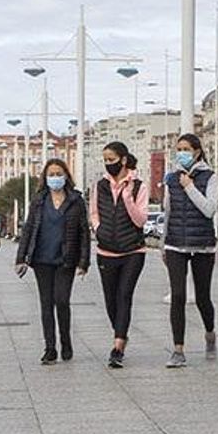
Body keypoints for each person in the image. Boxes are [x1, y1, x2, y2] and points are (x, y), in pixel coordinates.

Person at [15, 159, 91, 364]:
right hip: (41, 259)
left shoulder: (76, 201)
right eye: (51, 174)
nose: (55, 177)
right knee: (46, 304)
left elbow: (84, 232)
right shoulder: (39, 200)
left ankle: (66, 341)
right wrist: (20, 258)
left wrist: (84, 262)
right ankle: (50, 347)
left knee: (62, 301)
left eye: (59, 173)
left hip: (66, 259)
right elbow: (29, 229)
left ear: (66, 175)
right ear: (45, 177)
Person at [89, 141, 149, 368]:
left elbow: (141, 220)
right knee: (110, 300)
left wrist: (127, 199)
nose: (108, 164)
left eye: (111, 159)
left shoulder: (138, 186)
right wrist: (98, 228)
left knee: (124, 295)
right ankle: (120, 331)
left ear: (123, 160)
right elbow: (94, 212)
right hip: (106, 250)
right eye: (105, 160)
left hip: (133, 250)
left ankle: (118, 346)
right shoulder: (100, 186)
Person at [161, 133, 218, 368]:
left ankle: (210, 333)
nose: (181, 153)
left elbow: (209, 210)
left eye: (185, 149)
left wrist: (191, 187)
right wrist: (164, 243)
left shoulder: (210, 177)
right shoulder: (171, 179)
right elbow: (168, 211)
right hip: (175, 243)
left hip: (202, 244)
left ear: (196, 151)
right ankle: (178, 349)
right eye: (178, 149)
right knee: (178, 295)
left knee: (203, 296)